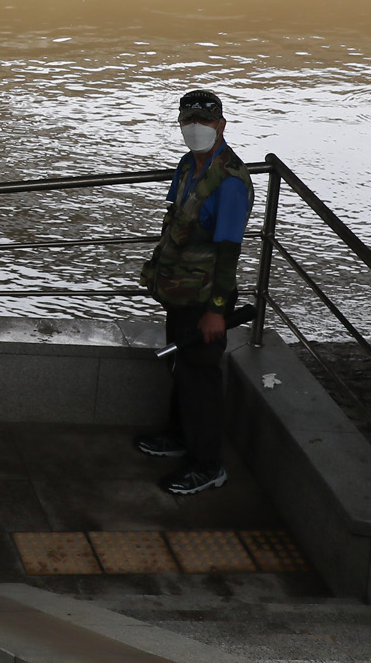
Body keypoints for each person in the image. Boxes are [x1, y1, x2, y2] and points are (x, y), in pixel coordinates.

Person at [134, 88, 253, 495]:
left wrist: (217, 310)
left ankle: (207, 463)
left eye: (204, 121)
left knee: (201, 376)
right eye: (189, 121)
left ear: (221, 125)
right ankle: (179, 437)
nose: (196, 129)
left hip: (206, 296)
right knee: (182, 367)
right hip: (181, 291)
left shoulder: (230, 181)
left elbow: (229, 251)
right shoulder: (188, 165)